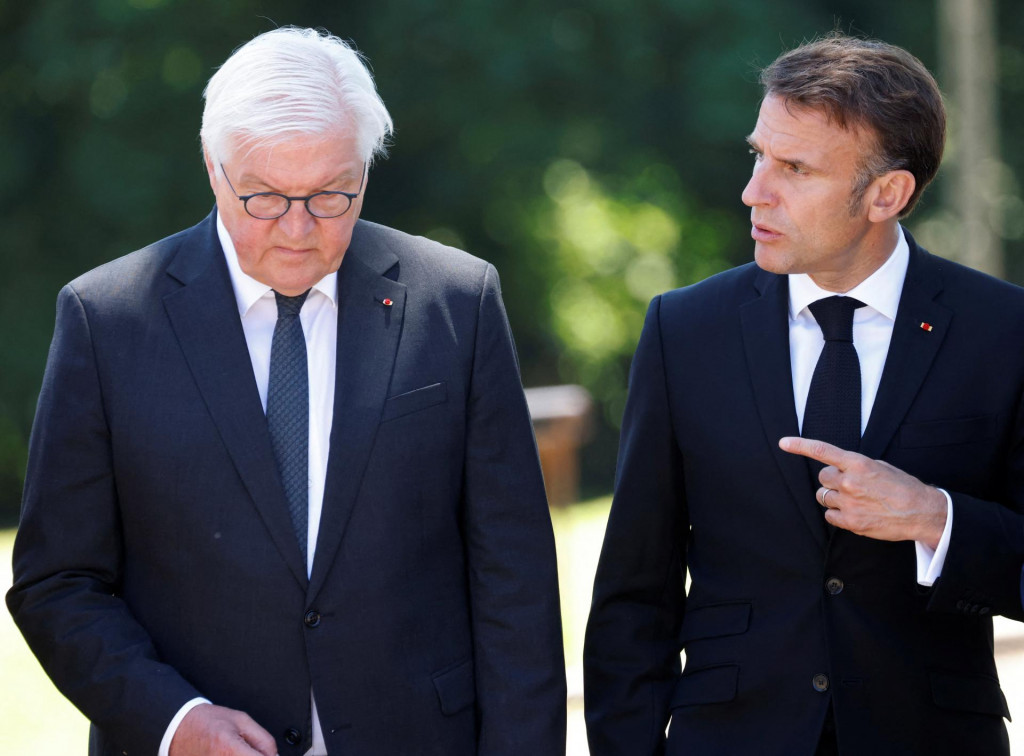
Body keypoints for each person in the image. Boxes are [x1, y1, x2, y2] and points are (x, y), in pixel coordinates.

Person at [7, 26, 566, 756]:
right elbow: (57, 583)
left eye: (332, 195)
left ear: (364, 171)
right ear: (214, 169)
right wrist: (174, 722)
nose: (299, 231)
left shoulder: (456, 300)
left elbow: (515, 583)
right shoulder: (107, 319)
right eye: (266, 198)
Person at [583, 32, 1024, 756]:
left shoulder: (1003, 332)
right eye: (758, 154)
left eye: (794, 168)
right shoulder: (684, 329)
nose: (755, 190)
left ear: (888, 193)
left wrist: (935, 518)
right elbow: (635, 593)